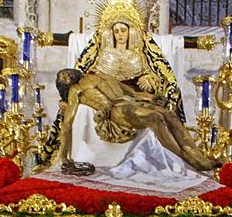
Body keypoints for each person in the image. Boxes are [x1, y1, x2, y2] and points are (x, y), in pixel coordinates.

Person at [56, 68, 215, 172]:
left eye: (65, 72)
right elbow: (67, 123)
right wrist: (63, 156)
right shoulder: (75, 91)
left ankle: (198, 156)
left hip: (128, 101)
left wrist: (150, 97)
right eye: (63, 78)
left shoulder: (100, 75)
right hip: (116, 109)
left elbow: (129, 92)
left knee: (171, 114)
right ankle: (186, 158)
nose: (66, 75)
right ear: (64, 86)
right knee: (156, 118)